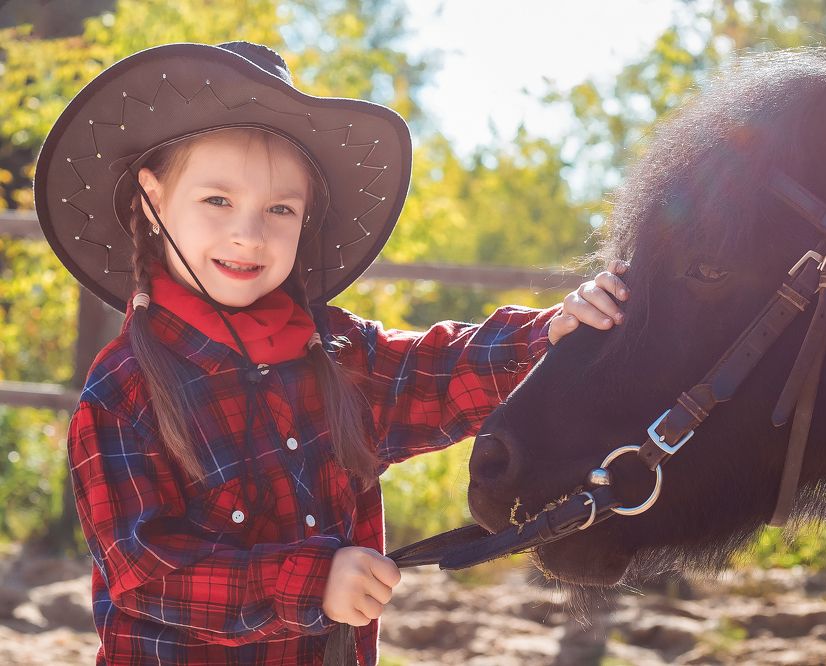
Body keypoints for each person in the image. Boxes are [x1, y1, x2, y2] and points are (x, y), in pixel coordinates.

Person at [34, 41, 629, 665]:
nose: (249, 233)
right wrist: (312, 582)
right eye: (217, 200)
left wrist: (550, 335)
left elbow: (435, 372)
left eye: (279, 209)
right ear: (154, 202)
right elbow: (148, 574)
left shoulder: (335, 352)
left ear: (305, 219)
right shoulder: (125, 389)